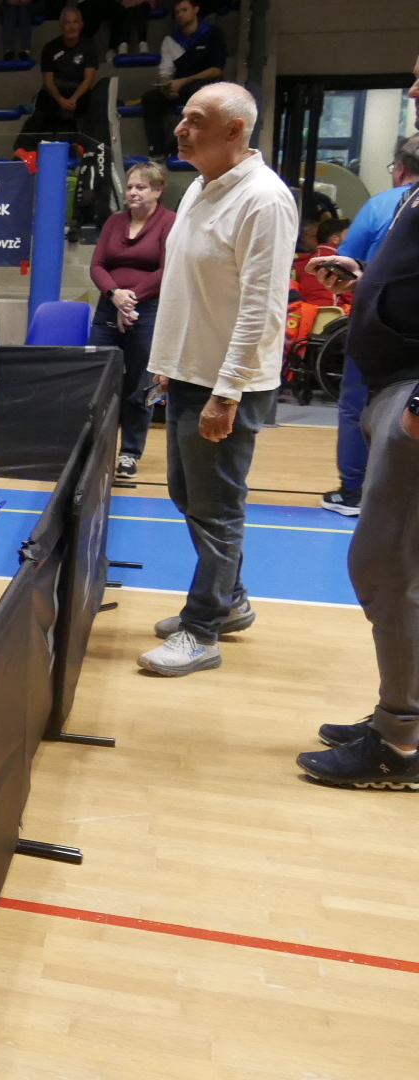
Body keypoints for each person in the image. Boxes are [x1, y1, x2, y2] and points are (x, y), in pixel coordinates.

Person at [138, 83, 296, 677]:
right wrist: (167, 363)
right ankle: (230, 600)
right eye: (182, 117)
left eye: (195, 120)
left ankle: (202, 630)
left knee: (217, 509)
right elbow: (191, 289)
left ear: (234, 131)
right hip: (190, 374)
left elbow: (261, 308)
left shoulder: (264, 200)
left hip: (226, 385)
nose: (180, 128)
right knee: (192, 498)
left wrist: (227, 391)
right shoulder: (200, 189)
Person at [297, 53, 419, 791]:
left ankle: (399, 741)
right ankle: (398, 717)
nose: (414, 89)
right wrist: (366, 284)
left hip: (413, 396)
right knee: (396, 567)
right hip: (392, 385)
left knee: (384, 566)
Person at [324, 134, 419, 517]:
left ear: (400, 168)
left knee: (356, 406)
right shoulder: (402, 202)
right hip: (402, 339)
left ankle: (353, 492)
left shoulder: (383, 203)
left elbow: (346, 257)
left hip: (380, 333)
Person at [88, 160, 175, 480]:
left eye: (141, 187)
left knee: (142, 383)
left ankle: (129, 453)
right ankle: (95, 448)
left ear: (158, 190)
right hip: (108, 308)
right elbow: (97, 265)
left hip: (147, 310)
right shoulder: (114, 222)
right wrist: (115, 295)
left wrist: (132, 298)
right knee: (98, 376)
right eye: (129, 187)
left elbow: (167, 269)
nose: (133, 193)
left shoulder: (170, 222)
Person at [141, 0, 225, 159]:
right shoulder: (171, 40)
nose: (180, 14)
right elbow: (165, 72)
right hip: (181, 87)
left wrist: (184, 81)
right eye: (177, 12)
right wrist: (165, 87)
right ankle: (157, 151)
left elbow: (217, 70)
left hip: (206, 87)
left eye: (184, 10)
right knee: (150, 98)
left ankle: (195, 145)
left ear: (195, 9)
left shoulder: (213, 34)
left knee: (198, 91)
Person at [17, 5, 100, 152]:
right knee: (40, 109)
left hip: (79, 91)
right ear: (61, 26)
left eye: (75, 22)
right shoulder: (50, 48)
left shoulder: (89, 45)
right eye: (67, 23)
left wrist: (72, 101)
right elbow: (48, 81)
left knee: (93, 107)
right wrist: (62, 101)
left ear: (81, 25)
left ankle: (85, 149)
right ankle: (22, 151)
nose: (71, 27)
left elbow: (88, 79)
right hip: (56, 92)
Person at [294, 218, 348, 308]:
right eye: (348, 235)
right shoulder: (339, 260)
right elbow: (351, 295)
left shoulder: (302, 261)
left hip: (306, 313)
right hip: (334, 312)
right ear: (335, 239)